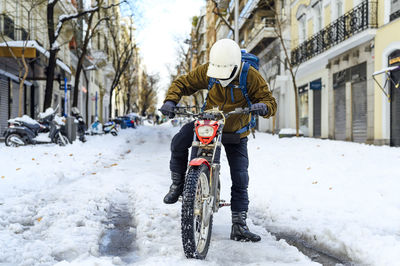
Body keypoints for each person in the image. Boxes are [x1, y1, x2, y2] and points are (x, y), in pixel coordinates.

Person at [160, 39, 277, 242]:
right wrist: (171, 100)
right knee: (178, 142)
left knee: (240, 177)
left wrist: (264, 107)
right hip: (209, 123)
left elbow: (269, 101)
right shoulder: (209, 70)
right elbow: (184, 82)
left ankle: (239, 225)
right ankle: (179, 185)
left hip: (235, 130)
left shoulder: (250, 75)